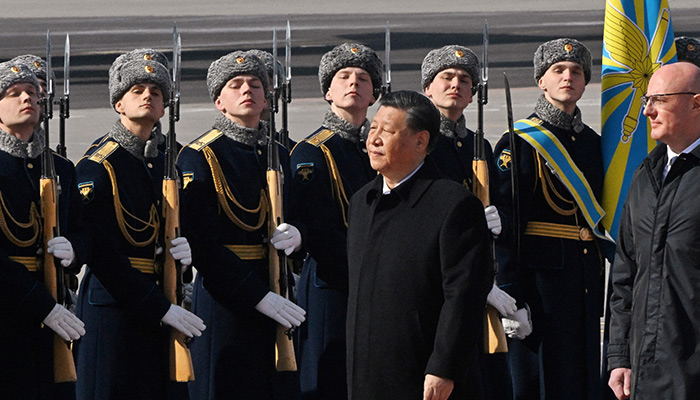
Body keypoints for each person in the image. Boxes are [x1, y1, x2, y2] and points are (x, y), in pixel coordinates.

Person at [74, 49, 205, 400]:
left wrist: (186, 250)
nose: (148, 95)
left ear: (165, 107)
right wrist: (159, 307)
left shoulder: (172, 159)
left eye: (156, 91)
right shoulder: (99, 164)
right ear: (119, 103)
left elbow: (188, 221)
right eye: (137, 90)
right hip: (116, 309)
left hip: (166, 298)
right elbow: (103, 254)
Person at [177, 51, 305, 400]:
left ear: (267, 98)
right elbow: (203, 243)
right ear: (220, 101)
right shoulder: (199, 155)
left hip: (278, 288)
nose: (247, 90)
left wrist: (298, 237)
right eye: (235, 85)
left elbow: (301, 214)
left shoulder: (279, 152)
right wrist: (256, 295)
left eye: (255, 85)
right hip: (227, 299)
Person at [346, 90, 491, 400]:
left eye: (387, 131)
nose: (374, 139)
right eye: (373, 129)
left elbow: (463, 296)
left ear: (420, 141)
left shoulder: (453, 205)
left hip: (425, 377)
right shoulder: (362, 201)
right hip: (367, 375)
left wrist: (444, 367)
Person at [492, 38, 608, 399]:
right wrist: (511, 294)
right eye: (558, 70)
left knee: (583, 377)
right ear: (541, 81)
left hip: (585, 280)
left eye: (576, 72)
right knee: (542, 381)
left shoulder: (592, 143)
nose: (568, 77)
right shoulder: (520, 142)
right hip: (540, 286)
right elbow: (505, 228)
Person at [289, 42, 382, 400]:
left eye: (363, 78)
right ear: (328, 92)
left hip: (379, 281)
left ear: (374, 92)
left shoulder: (385, 145)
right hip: (333, 282)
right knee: (328, 379)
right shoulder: (313, 150)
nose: (354, 83)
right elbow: (319, 225)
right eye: (344, 77)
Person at [421, 45, 511, 398]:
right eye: (446, 78)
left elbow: (501, 202)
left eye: (464, 80)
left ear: (473, 93)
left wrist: (497, 216)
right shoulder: (421, 142)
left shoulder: (478, 145)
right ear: (428, 88)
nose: (455, 85)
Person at [607, 62, 700, 400]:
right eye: (647, 100)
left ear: (696, 102)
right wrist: (619, 356)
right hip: (646, 371)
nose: (647, 111)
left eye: (659, 100)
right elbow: (625, 274)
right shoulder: (646, 175)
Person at [0, 60, 88, 399]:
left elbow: (84, 229)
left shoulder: (61, 168)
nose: (27, 99)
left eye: (33, 93)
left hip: (57, 310)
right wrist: (40, 304)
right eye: (14, 93)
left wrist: (75, 249)